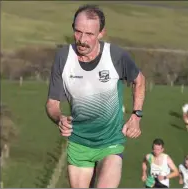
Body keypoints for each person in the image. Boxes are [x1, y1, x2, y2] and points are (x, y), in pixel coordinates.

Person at [46, 4, 146, 188]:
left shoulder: (116, 56)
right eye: (78, 32)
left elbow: (139, 80)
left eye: (90, 34)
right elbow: (52, 103)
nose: (82, 40)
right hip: (79, 143)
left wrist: (136, 115)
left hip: (110, 142)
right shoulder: (63, 58)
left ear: (101, 33)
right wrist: (59, 117)